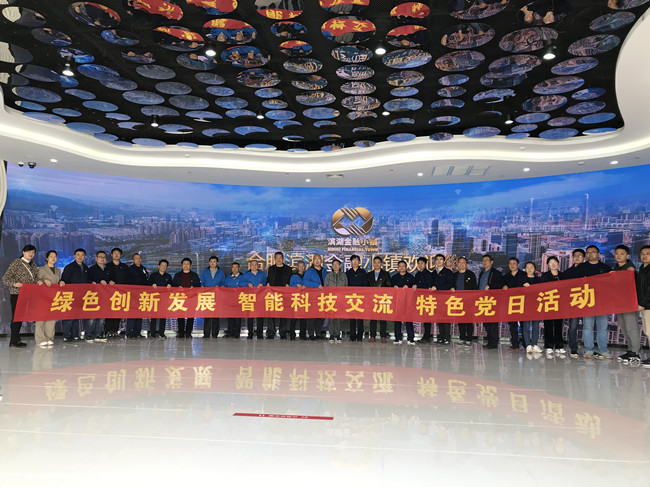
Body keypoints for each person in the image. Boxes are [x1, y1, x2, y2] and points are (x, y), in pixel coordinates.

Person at [2, 244, 40, 347]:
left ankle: (15, 339)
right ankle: (14, 341)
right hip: (17, 294)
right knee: (16, 317)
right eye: (29, 252)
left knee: (21, 317)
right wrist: (14, 284)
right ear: (23, 252)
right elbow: (5, 278)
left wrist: (38, 281)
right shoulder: (16, 263)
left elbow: (34, 278)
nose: (31, 254)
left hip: (28, 294)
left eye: (33, 252)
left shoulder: (33, 264)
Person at [578, 245, 612, 359]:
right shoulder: (581, 267)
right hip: (587, 301)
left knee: (602, 327)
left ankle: (603, 350)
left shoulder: (606, 268)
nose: (590, 254)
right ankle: (589, 350)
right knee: (588, 326)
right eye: (588, 252)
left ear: (598, 254)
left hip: (602, 302)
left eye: (593, 252)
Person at [611, 245, 640, 364]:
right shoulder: (616, 268)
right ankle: (630, 350)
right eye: (617, 253)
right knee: (624, 327)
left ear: (627, 256)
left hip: (629, 303)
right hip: (619, 303)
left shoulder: (630, 270)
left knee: (631, 327)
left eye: (622, 254)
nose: (618, 256)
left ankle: (635, 352)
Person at [60, 248, 89, 343]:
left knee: (76, 315)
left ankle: (75, 334)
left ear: (84, 257)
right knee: (69, 316)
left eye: (82, 255)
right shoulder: (69, 267)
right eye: (78, 255)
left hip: (81, 295)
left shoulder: (85, 267)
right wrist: (62, 282)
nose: (80, 257)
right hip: (70, 295)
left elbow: (87, 280)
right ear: (74, 256)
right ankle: (67, 335)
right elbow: (64, 280)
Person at [35, 250, 62, 347]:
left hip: (54, 296)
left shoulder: (58, 270)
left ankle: (49, 337)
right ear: (47, 258)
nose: (53, 258)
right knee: (41, 317)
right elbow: (36, 280)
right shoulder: (41, 269)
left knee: (52, 317)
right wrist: (43, 280)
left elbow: (57, 281)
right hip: (43, 296)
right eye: (51, 256)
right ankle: (40, 339)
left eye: (55, 256)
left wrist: (61, 282)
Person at [563, 248, 585, 358]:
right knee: (572, 327)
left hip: (587, 302)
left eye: (580, 255)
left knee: (588, 327)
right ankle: (573, 348)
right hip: (574, 303)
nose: (577, 257)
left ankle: (590, 349)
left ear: (584, 258)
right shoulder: (567, 272)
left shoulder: (589, 271)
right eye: (575, 255)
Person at [540, 256, 564, 356]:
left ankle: (559, 346)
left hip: (560, 303)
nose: (553, 264)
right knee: (548, 325)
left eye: (555, 262)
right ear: (548, 265)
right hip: (548, 303)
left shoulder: (563, 275)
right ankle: (548, 346)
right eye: (550, 262)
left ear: (558, 263)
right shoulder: (545, 276)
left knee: (559, 325)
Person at [478, 254, 503, 349]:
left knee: (493, 322)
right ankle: (489, 340)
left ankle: (493, 342)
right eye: (483, 261)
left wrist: (491, 287)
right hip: (483, 300)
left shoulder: (496, 273)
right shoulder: (481, 272)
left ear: (491, 262)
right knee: (486, 322)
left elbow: (500, 285)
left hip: (492, 301)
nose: (484, 262)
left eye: (487, 260)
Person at [266, 251, 293, 339]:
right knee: (271, 313)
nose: (278, 259)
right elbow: (268, 279)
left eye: (280, 258)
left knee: (283, 314)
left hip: (284, 294)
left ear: (283, 259)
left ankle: (283, 332)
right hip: (272, 294)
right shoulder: (271, 269)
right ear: (274, 259)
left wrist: (288, 284)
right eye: (276, 258)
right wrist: (267, 283)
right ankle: (271, 332)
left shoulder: (288, 269)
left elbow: (291, 280)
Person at [105, 247, 131, 338]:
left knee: (117, 312)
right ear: (111, 255)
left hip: (120, 294)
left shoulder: (124, 267)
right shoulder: (107, 266)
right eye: (114, 253)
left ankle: (115, 330)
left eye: (118, 253)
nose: (116, 255)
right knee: (109, 312)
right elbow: (104, 278)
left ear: (121, 255)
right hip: (109, 293)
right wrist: (108, 281)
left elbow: (128, 279)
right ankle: (108, 330)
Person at [172, 258, 201, 338]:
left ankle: (188, 332)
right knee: (180, 315)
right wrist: (178, 287)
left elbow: (198, 286)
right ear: (182, 265)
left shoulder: (194, 275)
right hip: (180, 298)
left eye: (188, 264)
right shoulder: (177, 275)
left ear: (190, 265)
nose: (186, 265)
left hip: (191, 298)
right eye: (184, 264)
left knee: (190, 316)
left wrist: (193, 287)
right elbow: (173, 286)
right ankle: (181, 332)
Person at [502, 257, 526, 351]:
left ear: (518, 265)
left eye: (514, 263)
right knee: (512, 325)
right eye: (510, 263)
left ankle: (526, 344)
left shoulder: (524, 275)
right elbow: (501, 287)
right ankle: (515, 344)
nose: (512, 265)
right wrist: (503, 286)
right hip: (511, 303)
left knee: (524, 325)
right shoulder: (506, 277)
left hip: (523, 303)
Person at [430, 253, 455, 345]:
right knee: (439, 318)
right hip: (436, 299)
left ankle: (447, 338)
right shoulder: (433, 273)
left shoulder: (448, 272)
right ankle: (441, 337)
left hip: (445, 298)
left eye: (441, 259)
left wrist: (438, 288)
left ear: (444, 261)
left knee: (445, 319)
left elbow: (450, 284)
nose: (439, 261)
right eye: (437, 259)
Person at [366, 256, 392, 342]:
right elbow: (366, 287)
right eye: (375, 262)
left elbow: (389, 286)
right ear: (373, 264)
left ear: (381, 264)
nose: (376, 264)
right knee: (373, 318)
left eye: (378, 262)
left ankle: (383, 336)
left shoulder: (385, 274)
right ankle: (372, 336)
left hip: (382, 298)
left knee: (383, 318)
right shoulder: (369, 274)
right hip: (372, 299)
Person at [87, 250, 110, 343]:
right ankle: (89, 335)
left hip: (104, 296)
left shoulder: (108, 269)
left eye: (104, 257)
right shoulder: (91, 269)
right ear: (96, 258)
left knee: (101, 317)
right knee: (91, 316)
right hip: (93, 296)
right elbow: (87, 280)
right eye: (100, 257)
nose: (102, 259)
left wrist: (111, 281)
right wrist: (96, 282)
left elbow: (111, 279)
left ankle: (98, 334)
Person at [453, 256, 477, 345]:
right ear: (457, 264)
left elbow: (474, 288)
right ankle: (462, 338)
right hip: (458, 301)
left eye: (463, 262)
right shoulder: (455, 275)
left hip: (469, 301)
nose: (461, 264)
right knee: (460, 321)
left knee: (469, 321)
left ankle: (469, 338)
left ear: (466, 264)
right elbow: (452, 286)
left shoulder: (471, 274)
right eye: (460, 262)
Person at [200, 256, 225, 338]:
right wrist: (202, 287)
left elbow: (223, 283)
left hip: (217, 296)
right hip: (207, 296)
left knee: (216, 315)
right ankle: (206, 333)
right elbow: (202, 283)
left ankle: (215, 333)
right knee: (207, 316)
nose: (212, 263)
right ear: (209, 262)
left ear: (217, 263)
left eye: (214, 261)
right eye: (211, 261)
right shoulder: (205, 271)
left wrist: (220, 287)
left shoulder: (221, 272)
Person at [391, 259, 415, 345]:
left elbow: (414, 287)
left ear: (406, 267)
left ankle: (411, 338)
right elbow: (389, 288)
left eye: (403, 266)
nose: (401, 268)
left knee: (409, 320)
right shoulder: (394, 277)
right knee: (397, 320)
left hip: (408, 302)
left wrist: (409, 287)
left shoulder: (411, 277)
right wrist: (394, 287)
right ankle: (397, 338)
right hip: (397, 302)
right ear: (398, 268)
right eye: (400, 266)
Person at [304, 254, 327, 340]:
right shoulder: (309, 271)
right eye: (315, 259)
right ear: (313, 261)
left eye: (319, 259)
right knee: (312, 316)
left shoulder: (324, 271)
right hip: (313, 297)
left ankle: (318, 333)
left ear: (321, 261)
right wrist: (316, 285)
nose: (317, 261)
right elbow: (305, 282)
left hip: (323, 297)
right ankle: (311, 334)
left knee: (321, 316)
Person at [324, 258, 347, 343]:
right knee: (331, 318)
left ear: (340, 266)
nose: (335, 266)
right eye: (334, 265)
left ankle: (337, 335)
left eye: (337, 264)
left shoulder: (344, 276)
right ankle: (331, 335)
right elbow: (325, 287)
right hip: (330, 299)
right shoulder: (328, 276)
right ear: (332, 266)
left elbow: (346, 288)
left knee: (337, 318)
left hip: (340, 299)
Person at [520, 261, 542, 354]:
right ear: (525, 269)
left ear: (535, 269)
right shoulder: (521, 279)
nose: (529, 269)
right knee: (526, 326)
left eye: (531, 267)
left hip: (536, 305)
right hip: (525, 306)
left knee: (536, 326)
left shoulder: (539, 280)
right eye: (527, 267)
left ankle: (535, 344)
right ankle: (528, 345)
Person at [126, 253, 149, 339]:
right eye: (136, 258)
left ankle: (137, 332)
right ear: (133, 260)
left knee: (139, 313)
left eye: (139, 258)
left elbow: (146, 278)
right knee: (132, 314)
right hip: (133, 294)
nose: (138, 260)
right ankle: (129, 333)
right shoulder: (131, 269)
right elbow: (137, 279)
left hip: (142, 294)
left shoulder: (143, 268)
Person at [149, 259, 173, 339]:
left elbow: (172, 286)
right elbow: (147, 284)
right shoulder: (153, 276)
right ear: (158, 266)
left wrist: (170, 285)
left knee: (163, 317)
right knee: (153, 317)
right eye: (162, 265)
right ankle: (152, 333)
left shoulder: (168, 276)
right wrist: (152, 285)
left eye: (165, 266)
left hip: (164, 299)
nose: (164, 267)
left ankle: (161, 333)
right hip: (154, 299)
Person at [244, 260, 267, 339]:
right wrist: (247, 284)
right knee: (250, 316)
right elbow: (241, 283)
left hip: (260, 297)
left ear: (258, 265)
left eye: (255, 265)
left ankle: (260, 333)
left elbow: (266, 282)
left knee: (260, 316)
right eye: (252, 265)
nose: (254, 266)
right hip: (249, 298)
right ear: (250, 266)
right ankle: (250, 333)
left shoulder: (262, 274)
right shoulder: (246, 274)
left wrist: (262, 284)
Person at [346, 254, 366, 341]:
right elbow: (346, 285)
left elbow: (365, 285)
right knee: (352, 318)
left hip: (360, 297)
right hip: (351, 298)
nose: (355, 262)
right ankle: (352, 335)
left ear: (359, 262)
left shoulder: (363, 272)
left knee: (360, 318)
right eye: (353, 261)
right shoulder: (348, 273)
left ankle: (360, 335)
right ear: (351, 262)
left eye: (357, 261)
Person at [413, 256, 433, 343]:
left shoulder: (428, 274)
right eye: (419, 263)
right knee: (423, 318)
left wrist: (418, 286)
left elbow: (428, 286)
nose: (420, 265)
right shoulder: (417, 274)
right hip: (419, 299)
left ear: (425, 264)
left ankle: (427, 336)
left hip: (427, 299)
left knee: (427, 319)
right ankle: (425, 336)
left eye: (422, 263)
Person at [224, 262, 246, 338]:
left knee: (237, 318)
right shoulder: (228, 278)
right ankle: (230, 332)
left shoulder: (243, 277)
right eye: (233, 267)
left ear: (239, 268)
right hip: (229, 301)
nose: (234, 269)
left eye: (236, 267)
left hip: (239, 300)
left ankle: (237, 333)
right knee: (230, 317)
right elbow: (225, 287)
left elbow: (246, 286)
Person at [637, 245, 650, 367]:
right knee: (647, 331)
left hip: (648, 305)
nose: (644, 256)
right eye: (642, 253)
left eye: (648, 254)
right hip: (645, 306)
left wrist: (643, 303)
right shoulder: (642, 268)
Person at [289, 261, 308, 340]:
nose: (301, 268)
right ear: (297, 267)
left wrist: (306, 286)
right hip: (295, 299)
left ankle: (302, 335)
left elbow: (311, 285)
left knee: (303, 318)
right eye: (300, 266)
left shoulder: (307, 276)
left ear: (305, 267)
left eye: (303, 266)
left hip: (305, 299)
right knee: (294, 318)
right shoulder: (294, 276)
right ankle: (292, 335)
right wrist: (296, 285)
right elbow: (290, 286)